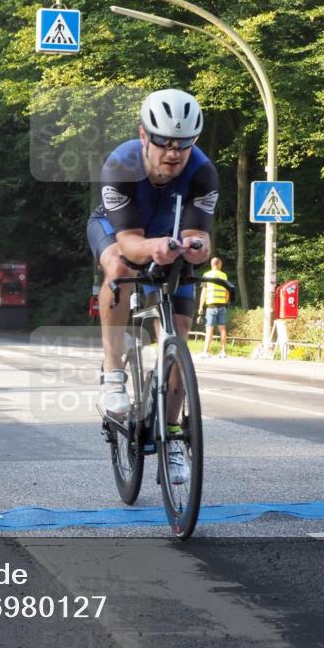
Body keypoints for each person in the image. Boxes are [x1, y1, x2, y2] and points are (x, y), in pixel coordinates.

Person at [86, 88, 219, 484]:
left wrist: (196, 248)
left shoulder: (203, 172)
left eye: (183, 144)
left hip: (170, 236)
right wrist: (154, 247)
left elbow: (200, 236)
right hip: (119, 230)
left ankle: (173, 433)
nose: (173, 152)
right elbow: (129, 241)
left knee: (177, 340)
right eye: (163, 141)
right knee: (119, 268)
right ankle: (113, 372)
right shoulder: (121, 164)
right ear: (144, 135)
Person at [196, 258, 232, 358]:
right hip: (221, 305)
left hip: (211, 306)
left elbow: (204, 291)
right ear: (219, 264)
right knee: (222, 328)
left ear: (211, 264)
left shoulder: (206, 275)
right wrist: (225, 302)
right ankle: (223, 352)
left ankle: (206, 352)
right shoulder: (223, 275)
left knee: (209, 329)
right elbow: (227, 291)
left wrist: (200, 306)